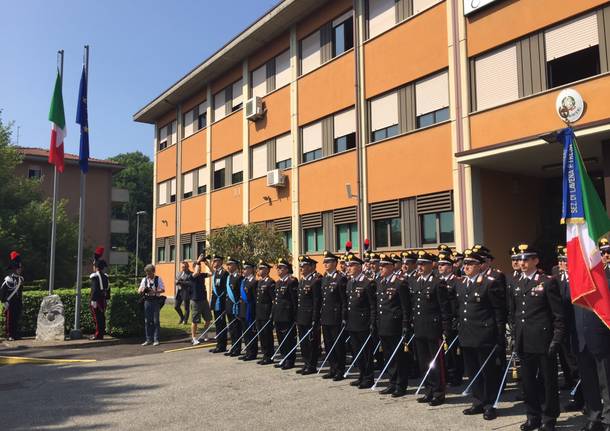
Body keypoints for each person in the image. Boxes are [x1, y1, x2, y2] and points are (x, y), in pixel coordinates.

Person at [510, 244, 564, 431]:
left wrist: (556, 339)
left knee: (549, 382)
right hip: (524, 340)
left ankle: (549, 418)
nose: (522, 263)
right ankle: (532, 416)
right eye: (521, 259)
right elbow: (515, 313)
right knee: (528, 382)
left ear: (536, 260)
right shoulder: (516, 282)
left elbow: (558, 315)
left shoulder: (547, 281)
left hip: (543, 340)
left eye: (527, 259)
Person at [456, 249, 506, 421]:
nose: (467, 267)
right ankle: (477, 401)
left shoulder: (489, 283)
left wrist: (499, 335)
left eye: (471, 264)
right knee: (473, 370)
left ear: (480, 266)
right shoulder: (461, 283)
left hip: (484, 334)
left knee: (488, 372)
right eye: (465, 264)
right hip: (466, 333)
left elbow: (498, 311)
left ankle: (490, 405)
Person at [572, 238, 610, 431]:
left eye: (604, 253)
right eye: (599, 253)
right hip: (581, 338)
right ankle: (594, 416)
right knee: (589, 382)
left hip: (602, 337)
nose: (603, 256)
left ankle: (608, 419)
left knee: (606, 382)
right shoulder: (578, 279)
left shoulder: (607, 278)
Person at [411, 250, 451, 406]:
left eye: (423, 264)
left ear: (431, 265)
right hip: (419, 327)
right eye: (419, 264)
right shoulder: (416, 281)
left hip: (433, 328)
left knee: (436, 362)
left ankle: (438, 392)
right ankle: (428, 390)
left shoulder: (437, 282)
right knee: (424, 362)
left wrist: (446, 328)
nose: (420, 266)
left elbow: (444, 307)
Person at [376, 253, 411, 397]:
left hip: (395, 325)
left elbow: (405, 307)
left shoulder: (399, 282)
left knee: (399, 357)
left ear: (391, 267)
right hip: (383, 324)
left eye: (384, 266)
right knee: (388, 356)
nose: (381, 268)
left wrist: (405, 325)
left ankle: (401, 385)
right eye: (381, 266)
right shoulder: (380, 282)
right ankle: (392, 382)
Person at [555, 246, 583, 412]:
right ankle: (578, 398)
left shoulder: (579, 278)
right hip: (563, 329)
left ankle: (584, 399)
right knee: (570, 366)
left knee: (581, 367)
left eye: (565, 260)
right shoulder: (556, 278)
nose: (562, 263)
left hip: (577, 328)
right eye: (560, 260)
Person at [345, 253, 377, 389]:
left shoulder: (367, 283)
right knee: (357, 351)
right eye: (348, 266)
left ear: (359, 267)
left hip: (364, 324)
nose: (349, 268)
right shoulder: (350, 282)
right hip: (352, 323)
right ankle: (361, 375)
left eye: (351, 265)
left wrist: (372, 323)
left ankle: (369, 378)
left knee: (366, 352)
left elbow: (372, 305)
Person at [319, 251, 348, 381]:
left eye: (328, 262)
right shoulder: (325, 277)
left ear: (335, 263)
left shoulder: (341, 278)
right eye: (324, 262)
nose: (325, 264)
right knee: (329, 344)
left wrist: (343, 317)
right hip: (326, 316)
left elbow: (344, 300)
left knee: (338, 345)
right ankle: (332, 368)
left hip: (336, 317)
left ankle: (340, 370)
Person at [437, 250, 464, 386]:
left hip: (453, 320)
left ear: (451, 267)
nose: (440, 267)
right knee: (444, 349)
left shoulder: (457, 281)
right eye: (439, 264)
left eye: (443, 264)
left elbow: (459, 303)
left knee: (454, 351)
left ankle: (456, 375)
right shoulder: (437, 282)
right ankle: (446, 373)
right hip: (442, 320)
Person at [296, 254, 322, 375]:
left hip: (310, 317)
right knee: (303, 342)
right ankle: (306, 363)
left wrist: (315, 319)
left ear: (311, 267)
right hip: (301, 317)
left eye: (304, 266)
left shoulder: (315, 281)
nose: (301, 268)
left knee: (311, 342)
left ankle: (312, 365)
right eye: (301, 266)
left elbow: (317, 302)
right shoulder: (302, 281)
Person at [272, 258, 298, 369]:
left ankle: (290, 360)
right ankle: (283, 357)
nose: (278, 270)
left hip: (288, 316)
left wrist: (295, 316)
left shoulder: (292, 281)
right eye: (278, 268)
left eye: (281, 268)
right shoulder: (278, 282)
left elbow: (294, 301)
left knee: (289, 339)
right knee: (281, 338)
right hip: (278, 315)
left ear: (287, 269)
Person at [138, 264, 165, 346]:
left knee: (156, 321)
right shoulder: (144, 280)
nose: (148, 275)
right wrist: (142, 290)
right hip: (147, 301)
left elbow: (163, 289)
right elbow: (139, 290)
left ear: (153, 272)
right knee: (147, 321)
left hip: (155, 301)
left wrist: (154, 292)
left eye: (149, 273)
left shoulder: (158, 279)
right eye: (147, 273)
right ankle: (148, 339)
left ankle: (156, 339)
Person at [255, 260, 275, 364]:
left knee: (267, 335)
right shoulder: (260, 281)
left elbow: (273, 300)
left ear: (267, 270)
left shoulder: (270, 282)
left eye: (262, 268)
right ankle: (264, 355)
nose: (259, 270)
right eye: (259, 268)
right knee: (262, 335)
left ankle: (269, 356)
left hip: (266, 313)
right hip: (259, 313)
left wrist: (272, 314)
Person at [0, 251, 24, 341]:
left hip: (17, 302)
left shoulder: (21, 279)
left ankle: (16, 334)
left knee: (16, 319)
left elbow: (20, 292)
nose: (20, 270)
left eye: (20, 268)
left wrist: (21, 301)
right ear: (14, 269)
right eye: (18, 268)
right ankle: (9, 335)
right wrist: (4, 301)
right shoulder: (8, 279)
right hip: (10, 302)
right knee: (10, 320)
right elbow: (2, 291)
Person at [190, 254, 212, 345]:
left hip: (204, 300)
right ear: (194, 268)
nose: (199, 269)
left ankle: (204, 334)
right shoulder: (192, 276)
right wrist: (198, 261)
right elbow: (195, 273)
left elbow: (212, 273)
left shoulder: (202, 275)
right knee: (195, 321)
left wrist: (208, 265)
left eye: (200, 267)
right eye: (197, 267)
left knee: (208, 319)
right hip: (195, 301)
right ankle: (194, 338)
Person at [238, 260, 258, 361]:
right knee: (245, 332)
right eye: (243, 268)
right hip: (243, 310)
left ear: (251, 270)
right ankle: (248, 351)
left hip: (250, 311)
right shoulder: (244, 281)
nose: (243, 270)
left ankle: (252, 353)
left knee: (251, 333)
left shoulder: (254, 282)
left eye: (246, 268)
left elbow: (255, 299)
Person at [209, 255, 229, 353]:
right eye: (214, 261)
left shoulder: (224, 274)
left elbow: (226, 289)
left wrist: (224, 303)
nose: (214, 263)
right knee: (217, 324)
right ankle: (218, 344)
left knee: (222, 324)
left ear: (221, 262)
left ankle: (222, 345)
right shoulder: (215, 273)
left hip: (221, 302)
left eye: (216, 261)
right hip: (215, 302)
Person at [224, 257, 243, 357]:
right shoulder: (229, 277)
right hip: (229, 307)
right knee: (231, 329)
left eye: (230, 264)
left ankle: (237, 349)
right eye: (227, 265)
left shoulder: (239, 278)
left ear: (235, 266)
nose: (228, 266)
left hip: (236, 307)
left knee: (236, 329)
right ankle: (233, 347)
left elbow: (241, 294)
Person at [89, 248, 110, 340]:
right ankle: (101, 334)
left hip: (97, 300)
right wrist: (108, 298)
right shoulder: (105, 276)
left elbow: (94, 289)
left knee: (97, 318)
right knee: (101, 317)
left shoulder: (95, 276)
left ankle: (98, 335)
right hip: (103, 299)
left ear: (96, 267)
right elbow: (108, 289)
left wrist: (93, 300)